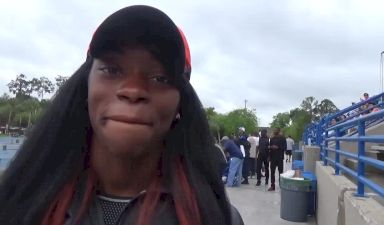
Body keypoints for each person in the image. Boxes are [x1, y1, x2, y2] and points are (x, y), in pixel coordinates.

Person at [0, 6, 244, 225]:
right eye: (111, 69)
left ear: (181, 103)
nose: (133, 90)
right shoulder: (20, 203)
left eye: (160, 78)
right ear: (86, 87)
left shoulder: (217, 217)